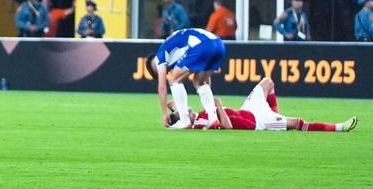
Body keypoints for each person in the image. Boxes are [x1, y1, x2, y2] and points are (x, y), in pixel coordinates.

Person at [180, 78, 356, 133]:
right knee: (296, 123)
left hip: (247, 110)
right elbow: (227, 126)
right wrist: (218, 107)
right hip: (258, 122)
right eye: (183, 112)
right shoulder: (200, 123)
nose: (187, 109)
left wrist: (174, 108)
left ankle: (274, 113)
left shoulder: (202, 113)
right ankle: (340, 127)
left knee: (268, 82)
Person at [150, 28, 226, 129]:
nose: (166, 72)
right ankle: (213, 118)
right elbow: (205, 80)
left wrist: (164, 114)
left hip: (202, 45)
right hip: (219, 44)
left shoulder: (159, 57)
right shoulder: (174, 47)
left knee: (173, 79)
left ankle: (184, 120)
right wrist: (207, 104)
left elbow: (162, 87)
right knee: (199, 81)